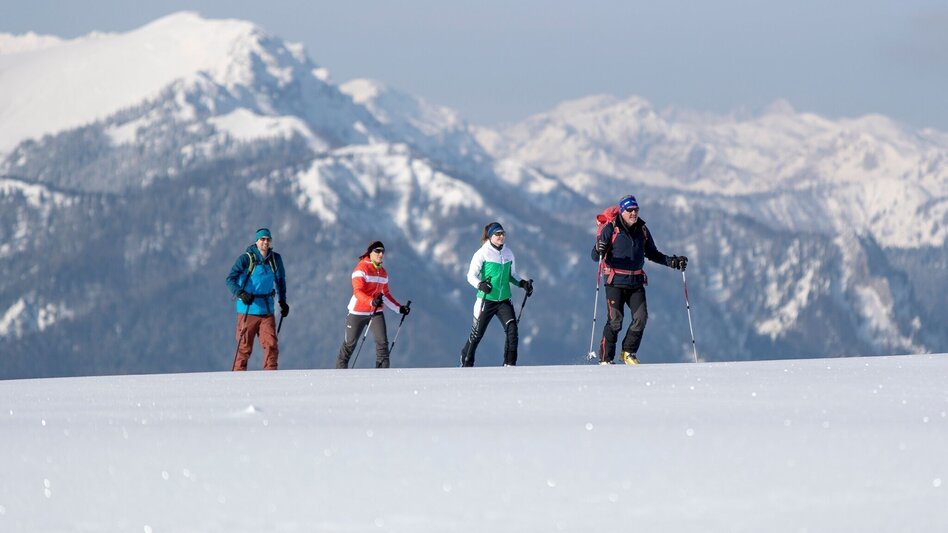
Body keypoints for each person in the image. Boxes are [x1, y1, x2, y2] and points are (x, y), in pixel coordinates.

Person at [592, 195, 687, 365]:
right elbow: (595, 256)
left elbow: (652, 253)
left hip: (636, 282)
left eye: (636, 209)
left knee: (641, 318)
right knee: (615, 321)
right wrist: (598, 248)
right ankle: (605, 358)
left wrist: (672, 262)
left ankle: (628, 352)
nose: (634, 213)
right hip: (614, 282)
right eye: (630, 210)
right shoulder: (611, 229)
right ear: (622, 211)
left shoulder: (642, 230)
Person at [460, 222, 534, 367]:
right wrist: (480, 285)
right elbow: (471, 276)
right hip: (486, 300)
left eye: (503, 233)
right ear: (490, 236)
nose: (501, 236)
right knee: (477, 334)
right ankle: (466, 362)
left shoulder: (508, 253)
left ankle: (509, 365)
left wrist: (522, 283)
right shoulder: (482, 253)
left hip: (504, 300)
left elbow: (511, 275)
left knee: (512, 330)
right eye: (497, 234)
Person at [336, 241, 410, 369]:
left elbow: (385, 294)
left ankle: (382, 378)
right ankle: (338, 376)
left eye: (383, 251)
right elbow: (358, 292)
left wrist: (399, 308)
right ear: (370, 253)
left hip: (376, 312)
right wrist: (371, 301)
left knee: (382, 344)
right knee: (350, 345)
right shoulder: (360, 269)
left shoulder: (383, 272)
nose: (381, 254)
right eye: (377, 251)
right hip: (357, 312)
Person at [225, 228, 288, 370]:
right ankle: (237, 382)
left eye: (268, 239)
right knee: (244, 349)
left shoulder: (275, 259)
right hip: (248, 309)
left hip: (267, 310)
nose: (265, 242)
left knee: (271, 346)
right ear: (257, 241)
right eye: (262, 239)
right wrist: (241, 293)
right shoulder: (246, 259)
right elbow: (230, 279)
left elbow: (280, 281)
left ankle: (270, 380)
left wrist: (282, 301)